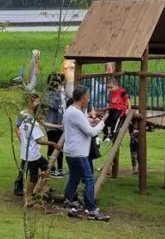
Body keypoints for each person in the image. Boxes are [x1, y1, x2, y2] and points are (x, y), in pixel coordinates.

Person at [62, 85, 110, 221]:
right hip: (79, 153)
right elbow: (91, 132)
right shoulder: (76, 113)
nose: (89, 99)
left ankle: (69, 203)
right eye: (87, 96)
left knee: (74, 178)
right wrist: (102, 122)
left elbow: (81, 125)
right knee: (89, 179)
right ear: (82, 98)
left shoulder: (70, 111)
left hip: (71, 152)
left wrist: (91, 121)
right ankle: (91, 209)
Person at [16, 93, 60, 206]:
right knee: (33, 177)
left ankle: (43, 188)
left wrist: (59, 126)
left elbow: (41, 124)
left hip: (30, 153)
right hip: (32, 155)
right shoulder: (30, 122)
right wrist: (52, 143)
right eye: (36, 102)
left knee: (47, 167)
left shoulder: (27, 119)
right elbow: (38, 140)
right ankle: (28, 198)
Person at [43, 72, 67, 178]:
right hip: (51, 124)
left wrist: (61, 94)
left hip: (61, 123)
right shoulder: (48, 93)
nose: (59, 84)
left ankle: (60, 169)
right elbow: (54, 106)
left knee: (60, 146)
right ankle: (51, 168)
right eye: (56, 82)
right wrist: (59, 94)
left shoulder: (62, 93)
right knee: (52, 145)